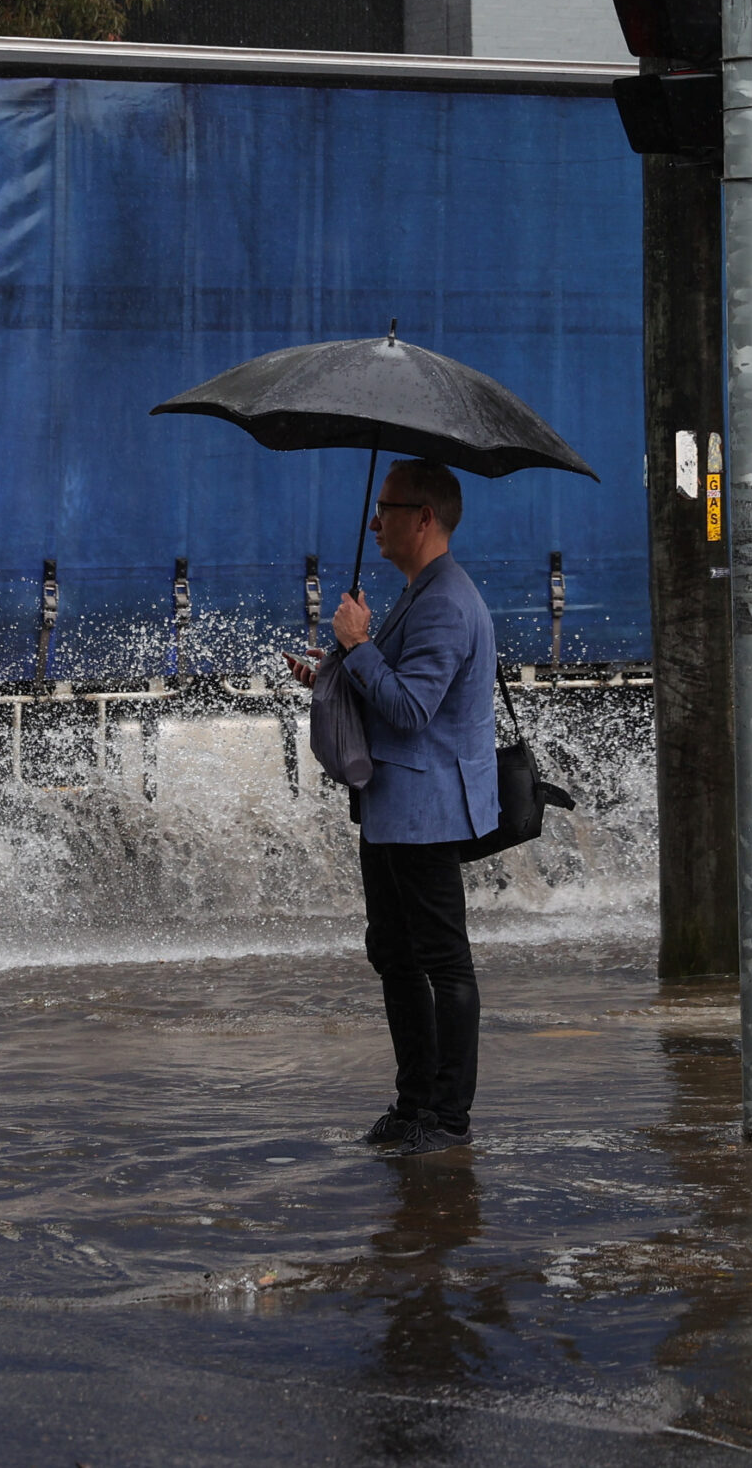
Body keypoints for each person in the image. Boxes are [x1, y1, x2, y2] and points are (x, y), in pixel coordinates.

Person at [286, 458, 498, 1157]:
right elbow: (393, 681)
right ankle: (413, 1104)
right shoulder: (421, 589)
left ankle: (447, 1116)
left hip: (426, 809)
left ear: (425, 518)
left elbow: (410, 708)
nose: (375, 522)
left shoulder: (444, 600)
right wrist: (338, 666)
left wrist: (359, 645)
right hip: (394, 807)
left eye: (388, 508)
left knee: (441, 959)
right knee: (395, 953)